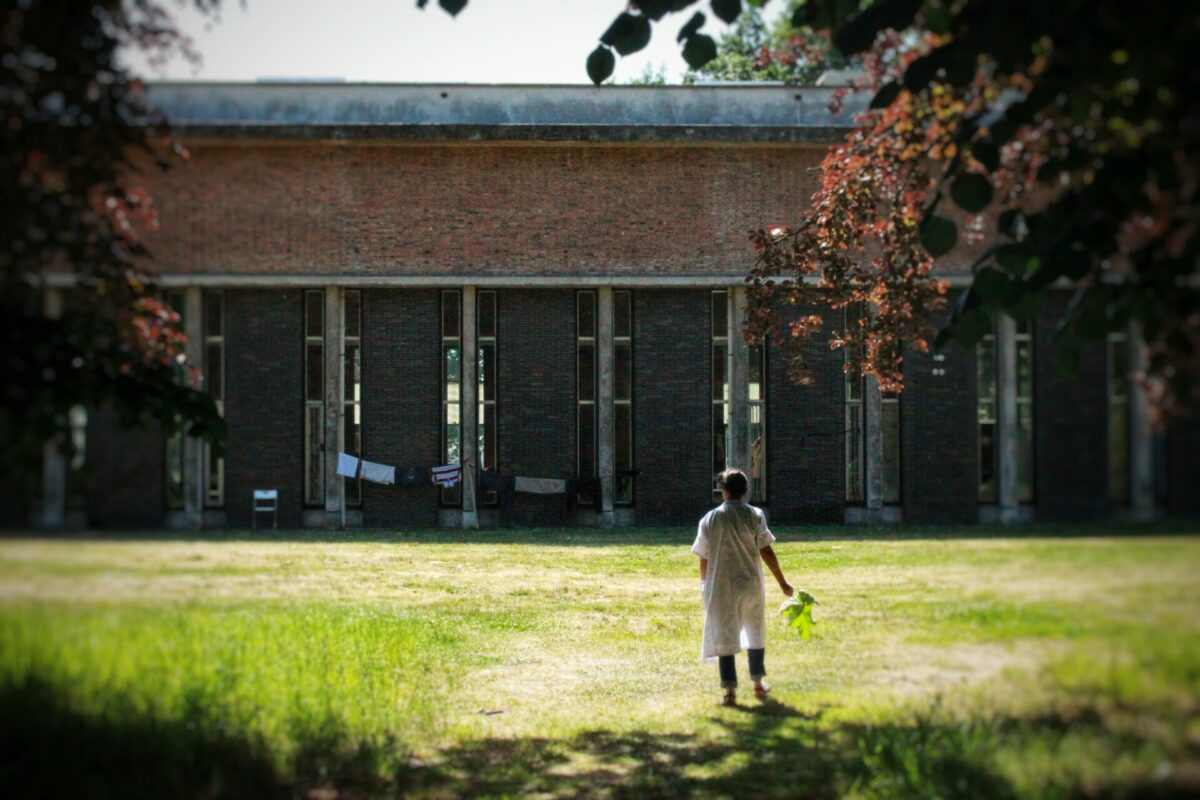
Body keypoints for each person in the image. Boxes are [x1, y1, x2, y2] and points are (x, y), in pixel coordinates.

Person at [692, 468, 793, 706]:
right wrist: (782, 582)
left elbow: (703, 557)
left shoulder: (710, 519)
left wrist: (704, 585)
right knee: (755, 630)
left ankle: (729, 691)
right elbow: (766, 550)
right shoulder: (755, 515)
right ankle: (758, 684)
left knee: (725, 634)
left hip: (721, 585)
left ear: (723, 490)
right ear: (745, 491)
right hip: (750, 583)